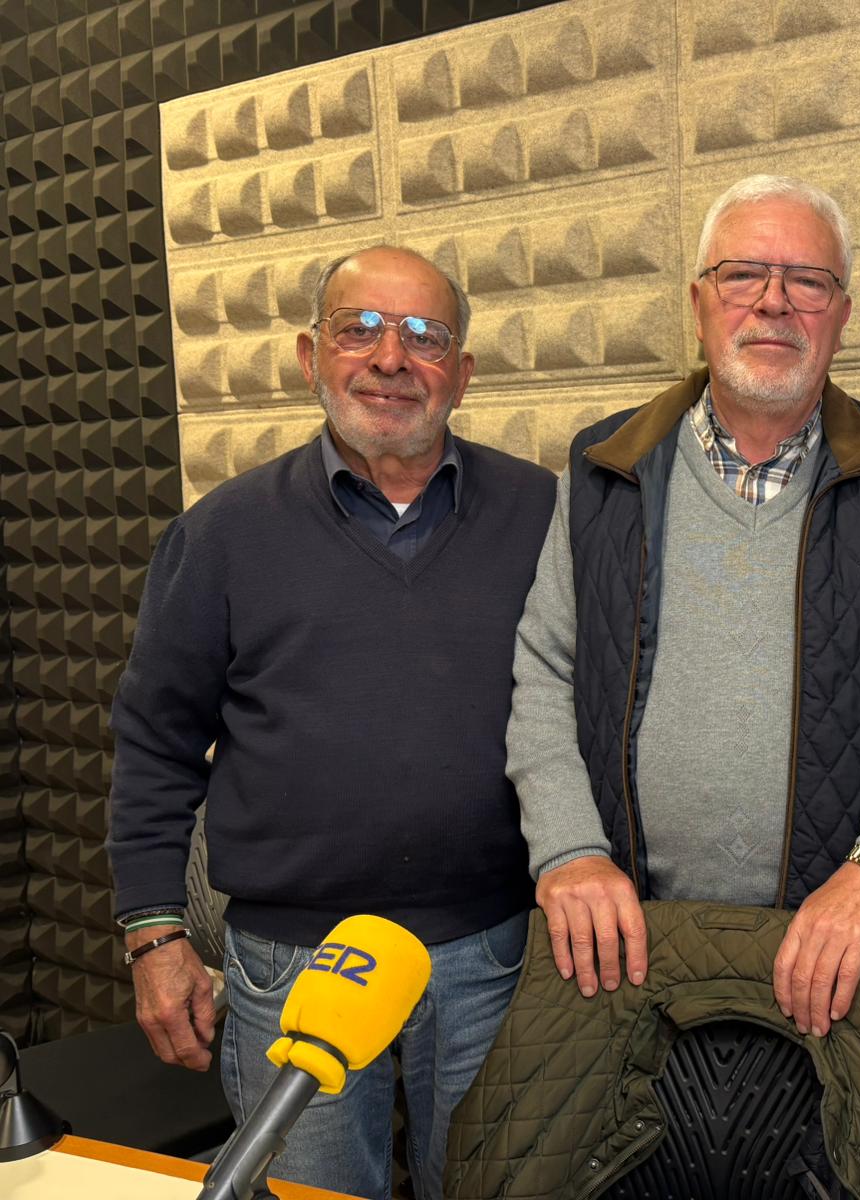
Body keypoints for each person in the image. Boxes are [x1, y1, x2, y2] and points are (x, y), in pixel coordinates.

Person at [107, 245, 557, 1200]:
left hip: (490, 954)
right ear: (310, 356)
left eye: (426, 336)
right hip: (288, 965)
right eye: (360, 329)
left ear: (463, 374)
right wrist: (155, 937)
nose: (391, 358)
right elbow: (155, 745)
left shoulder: (542, 514)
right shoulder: (222, 532)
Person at [506, 174, 860, 1040]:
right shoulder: (601, 470)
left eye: (808, 281)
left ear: (842, 313)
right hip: (628, 946)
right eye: (742, 275)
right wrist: (569, 848)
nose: (774, 302)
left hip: (838, 952)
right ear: (698, 302)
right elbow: (544, 671)